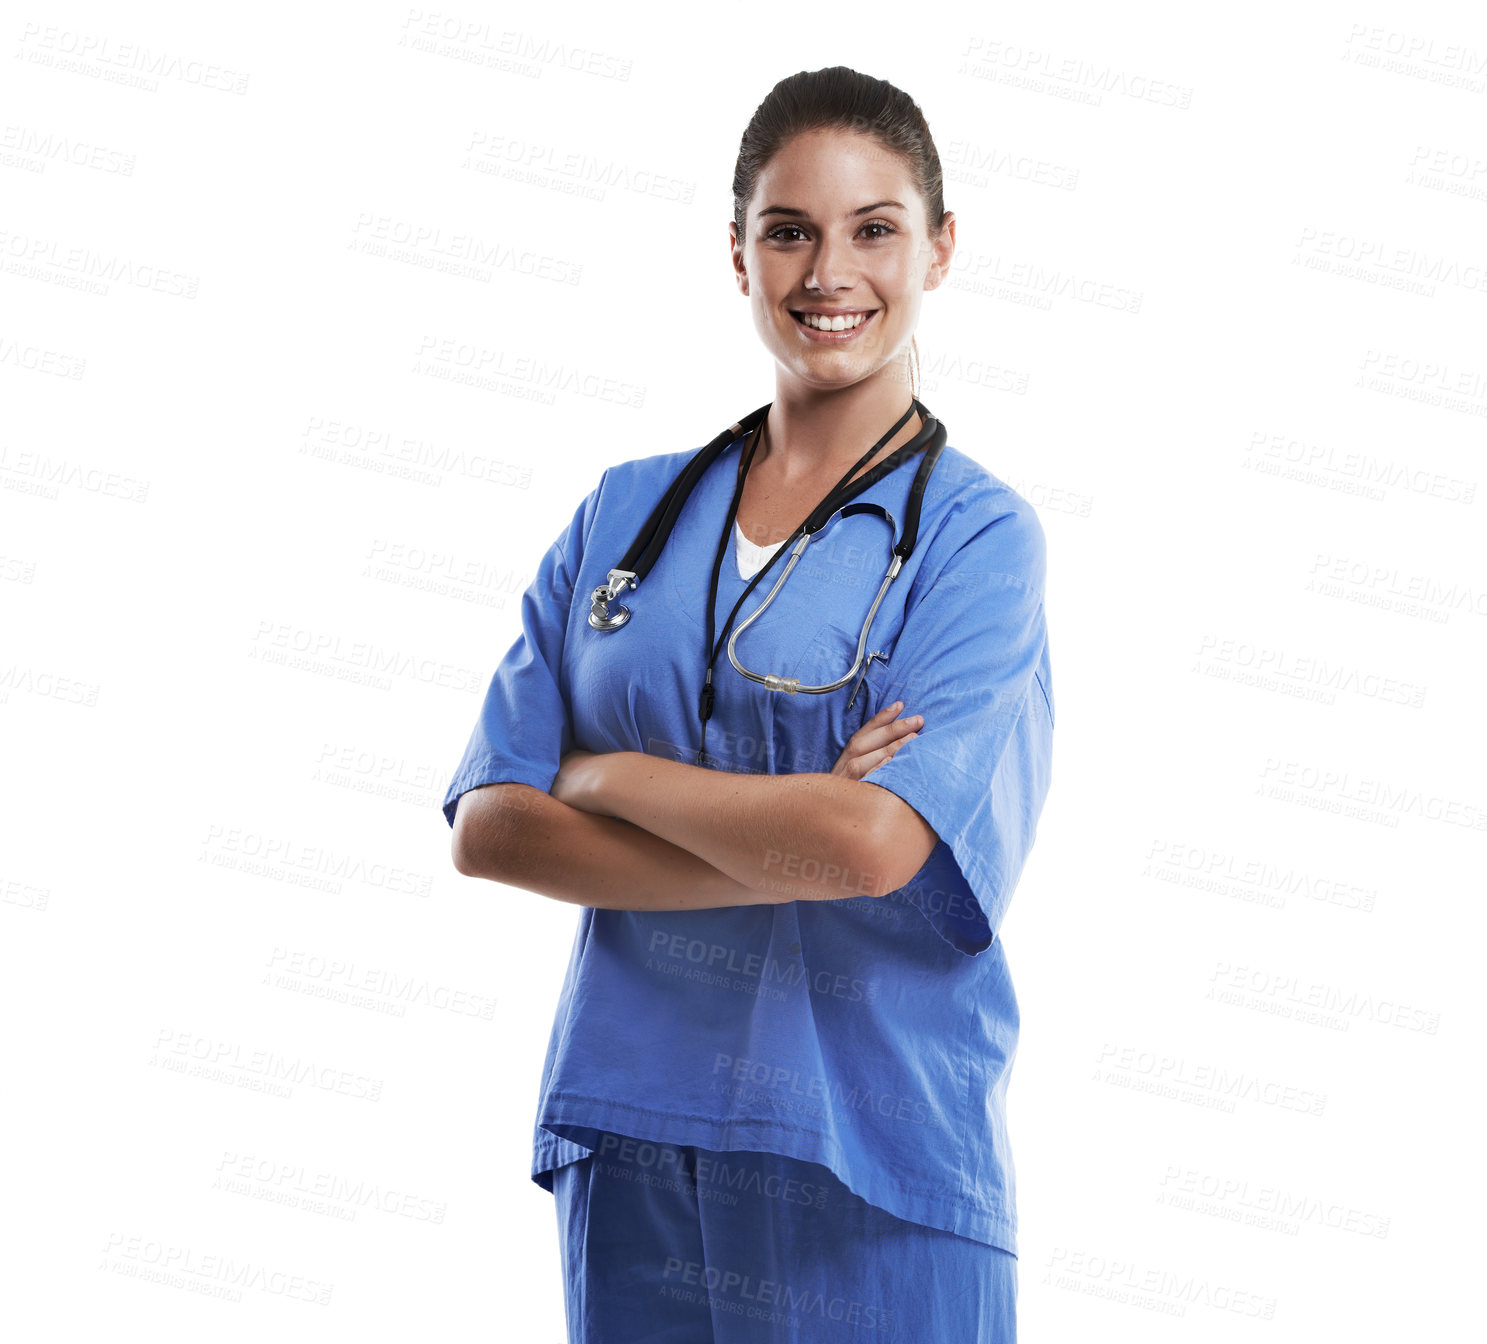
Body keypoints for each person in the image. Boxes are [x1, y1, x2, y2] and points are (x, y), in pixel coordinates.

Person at [442, 65, 1054, 1343]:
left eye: (873, 229)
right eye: (788, 231)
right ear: (736, 253)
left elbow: (877, 847)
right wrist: (799, 835)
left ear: (939, 249)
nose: (828, 271)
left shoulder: (974, 539)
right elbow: (490, 827)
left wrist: (602, 777)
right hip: (634, 1129)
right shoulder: (624, 516)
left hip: (875, 1152)